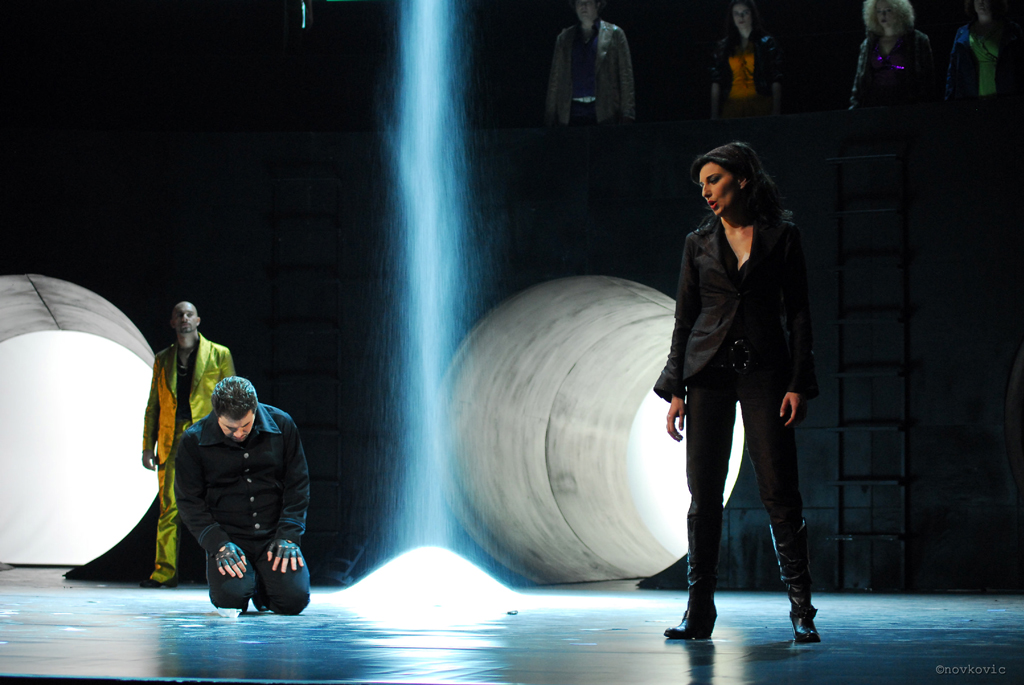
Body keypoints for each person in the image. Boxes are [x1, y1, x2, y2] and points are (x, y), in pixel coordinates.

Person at [654, 142, 820, 643]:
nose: (706, 191)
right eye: (701, 184)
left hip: (765, 374)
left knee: (779, 491)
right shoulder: (697, 244)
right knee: (704, 496)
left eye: (714, 180)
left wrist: (797, 382)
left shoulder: (781, 237)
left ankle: (802, 612)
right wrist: (676, 388)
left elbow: (799, 314)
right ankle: (698, 613)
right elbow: (685, 318)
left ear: (743, 179)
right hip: (707, 375)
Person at [175, 377, 311, 616]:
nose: (238, 433)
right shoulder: (193, 440)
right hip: (230, 538)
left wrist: (289, 535)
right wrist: (218, 544)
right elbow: (189, 502)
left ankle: (264, 587)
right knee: (231, 601)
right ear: (217, 415)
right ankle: (249, 582)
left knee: (293, 602)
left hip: (273, 535)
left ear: (254, 409)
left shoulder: (282, 425)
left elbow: (297, 483)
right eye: (230, 428)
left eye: (245, 426)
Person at [140, 302, 234, 588]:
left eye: (188, 314)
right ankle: (164, 573)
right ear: (172, 323)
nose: (184, 318)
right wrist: (148, 445)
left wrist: (233, 440)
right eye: (179, 315)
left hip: (209, 438)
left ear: (198, 320)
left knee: (218, 506)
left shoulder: (219, 354)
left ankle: (227, 570)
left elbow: (233, 397)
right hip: (172, 440)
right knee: (169, 509)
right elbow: (153, 405)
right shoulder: (163, 358)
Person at [544, 0, 635, 126]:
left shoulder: (615, 34)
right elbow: (555, 78)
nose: (583, 6)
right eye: (579, 2)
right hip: (571, 113)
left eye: (588, 2)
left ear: (598, 4)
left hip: (605, 113)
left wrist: (628, 114)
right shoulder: (564, 38)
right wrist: (550, 116)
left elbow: (626, 77)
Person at [850, 0, 935, 108]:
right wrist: (855, 109)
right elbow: (859, 81)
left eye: (888, 10)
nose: (883, 15)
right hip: (874, 106)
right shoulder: (869, 44)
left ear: (899, 11)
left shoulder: (917, 40)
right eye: (879, 11)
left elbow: (928, 79)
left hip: (907, 105)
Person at [710, 0, 782, 119]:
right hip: (732, 108)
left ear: (752, 14)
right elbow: (716, 80)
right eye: (736, 13)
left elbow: (776, 76)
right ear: (732, 17)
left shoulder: (767, 43)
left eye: (745, 12)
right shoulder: (723, 46)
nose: (741, 16)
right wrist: (713, 116)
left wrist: (776, 111)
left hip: (761, 106)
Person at [945, 0, 1023, 100]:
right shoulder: (962, 32)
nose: (981, 2)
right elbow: (953, 69)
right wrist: (949, 98)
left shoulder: (1011, 29)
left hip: (1006, 94)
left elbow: (1020, 65)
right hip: (970, 95)